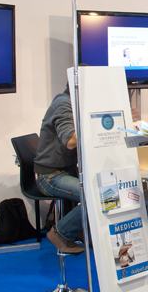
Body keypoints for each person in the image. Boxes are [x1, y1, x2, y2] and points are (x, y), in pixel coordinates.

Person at [34, 85, 85, 255]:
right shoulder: (63, 103)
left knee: (105, 192)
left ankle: (79, 230)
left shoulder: (77, 104)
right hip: (51, 176)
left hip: (67, 172)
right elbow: (70, 141)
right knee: (95, 197)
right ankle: (61, 232)